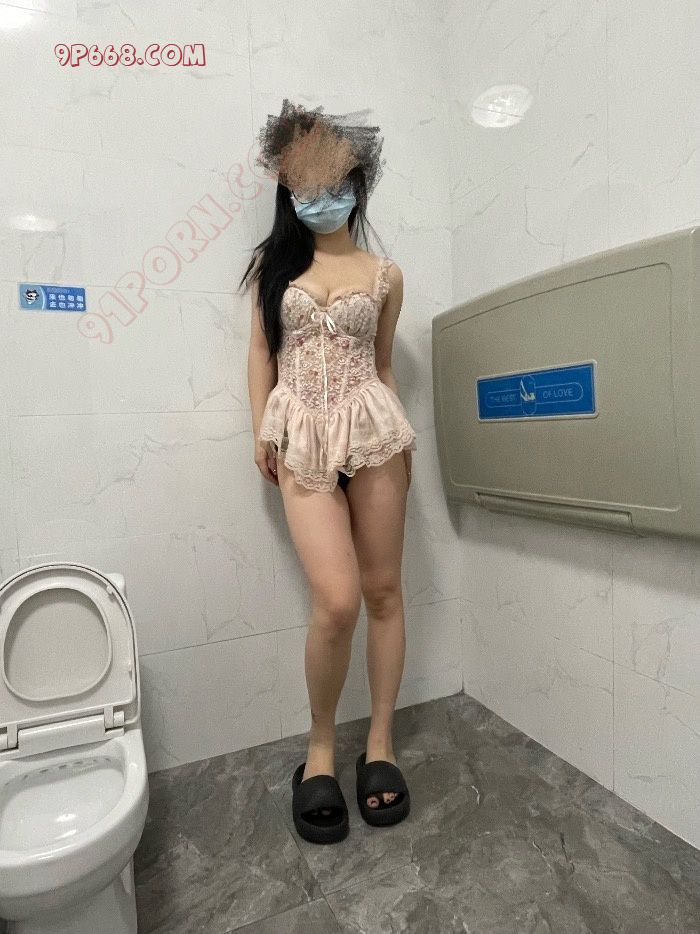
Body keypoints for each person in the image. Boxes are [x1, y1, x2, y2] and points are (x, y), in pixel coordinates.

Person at [242, 100, 417, 844]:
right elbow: (262, 352)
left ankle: (380, 745)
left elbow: (381, 364)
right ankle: (320, 748)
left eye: (333, 184)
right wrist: (262, 428)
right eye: (304, 187)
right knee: (337, 601)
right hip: (303, 439)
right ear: (287, 188)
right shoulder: (276, 268)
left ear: (357, 182)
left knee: (383, 592)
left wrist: (402, 443)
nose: (320, 199)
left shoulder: (385, 275)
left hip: (374, 432)